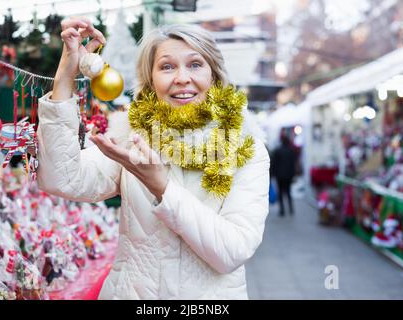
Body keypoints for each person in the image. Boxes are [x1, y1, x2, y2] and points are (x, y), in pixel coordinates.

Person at [37, 17, 270, 299]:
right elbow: (63, 178)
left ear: (214, 76)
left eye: (195, 64)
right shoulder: (131, 136)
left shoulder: (246, 149)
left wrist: (162, 187)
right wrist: (67, 70)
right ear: (151, 80)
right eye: (167, 66)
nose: (182, 78)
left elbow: (233, 251)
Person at [270, 135, 297, 216]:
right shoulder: (291, 151)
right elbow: (293, 165)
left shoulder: (277, 151)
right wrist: (293, 175)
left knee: (280, 192)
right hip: (288, 175)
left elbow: (274, 164)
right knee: (288, 192)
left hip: (279, 176)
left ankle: (282, 210)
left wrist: (272, 174)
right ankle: (291, 209)